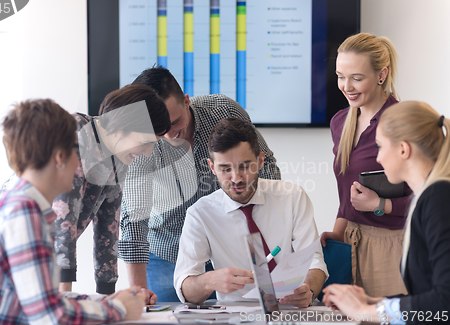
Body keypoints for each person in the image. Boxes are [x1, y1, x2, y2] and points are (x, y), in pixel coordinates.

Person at [0, 84, 170, 301]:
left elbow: (108, 228)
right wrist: (65, 294)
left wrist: (109, 297)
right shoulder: (76, 133)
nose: (148, 153)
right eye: (146, 142)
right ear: (124, 126)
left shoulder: (120, 158)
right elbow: (63, 221)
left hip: (12, 252)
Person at [120, 66, 281, 302]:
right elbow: (134, 217)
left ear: (186, 101)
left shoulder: (223, 111)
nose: (168, 135)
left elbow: (265, 168)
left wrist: (263, 231)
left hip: (230, 249)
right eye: (159, 129)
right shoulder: (140, 143)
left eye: (175, 122)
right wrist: (137, 291)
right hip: (168, 253)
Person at [173, 118, 327, 307]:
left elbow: (315, 263)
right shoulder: (200, 214)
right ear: (212, 168)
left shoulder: (293, 197)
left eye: (244, 166)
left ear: (261, 161)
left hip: (292, 308)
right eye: (225, 169)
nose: (236, 178)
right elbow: (185, 290)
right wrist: (209, 281)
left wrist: (309, 290)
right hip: (234, 312)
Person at [323, 101, 450, 324]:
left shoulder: (438, 198)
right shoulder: (429, 196)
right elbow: (427, 293)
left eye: (380, 146)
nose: (379, 158)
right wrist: (371, 301)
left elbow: (445, 304)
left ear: (403, 149)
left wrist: (370, 311)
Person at [320, 33, 412, 297]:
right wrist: (338, 232)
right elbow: (347, 191)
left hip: (391, 247)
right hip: (349, 243)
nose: (346, 86)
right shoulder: (340, 122)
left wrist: (380, 205)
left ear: (381, 75)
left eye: (357, 78)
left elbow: (429, 198)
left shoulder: (402, 124)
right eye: (340, 76)